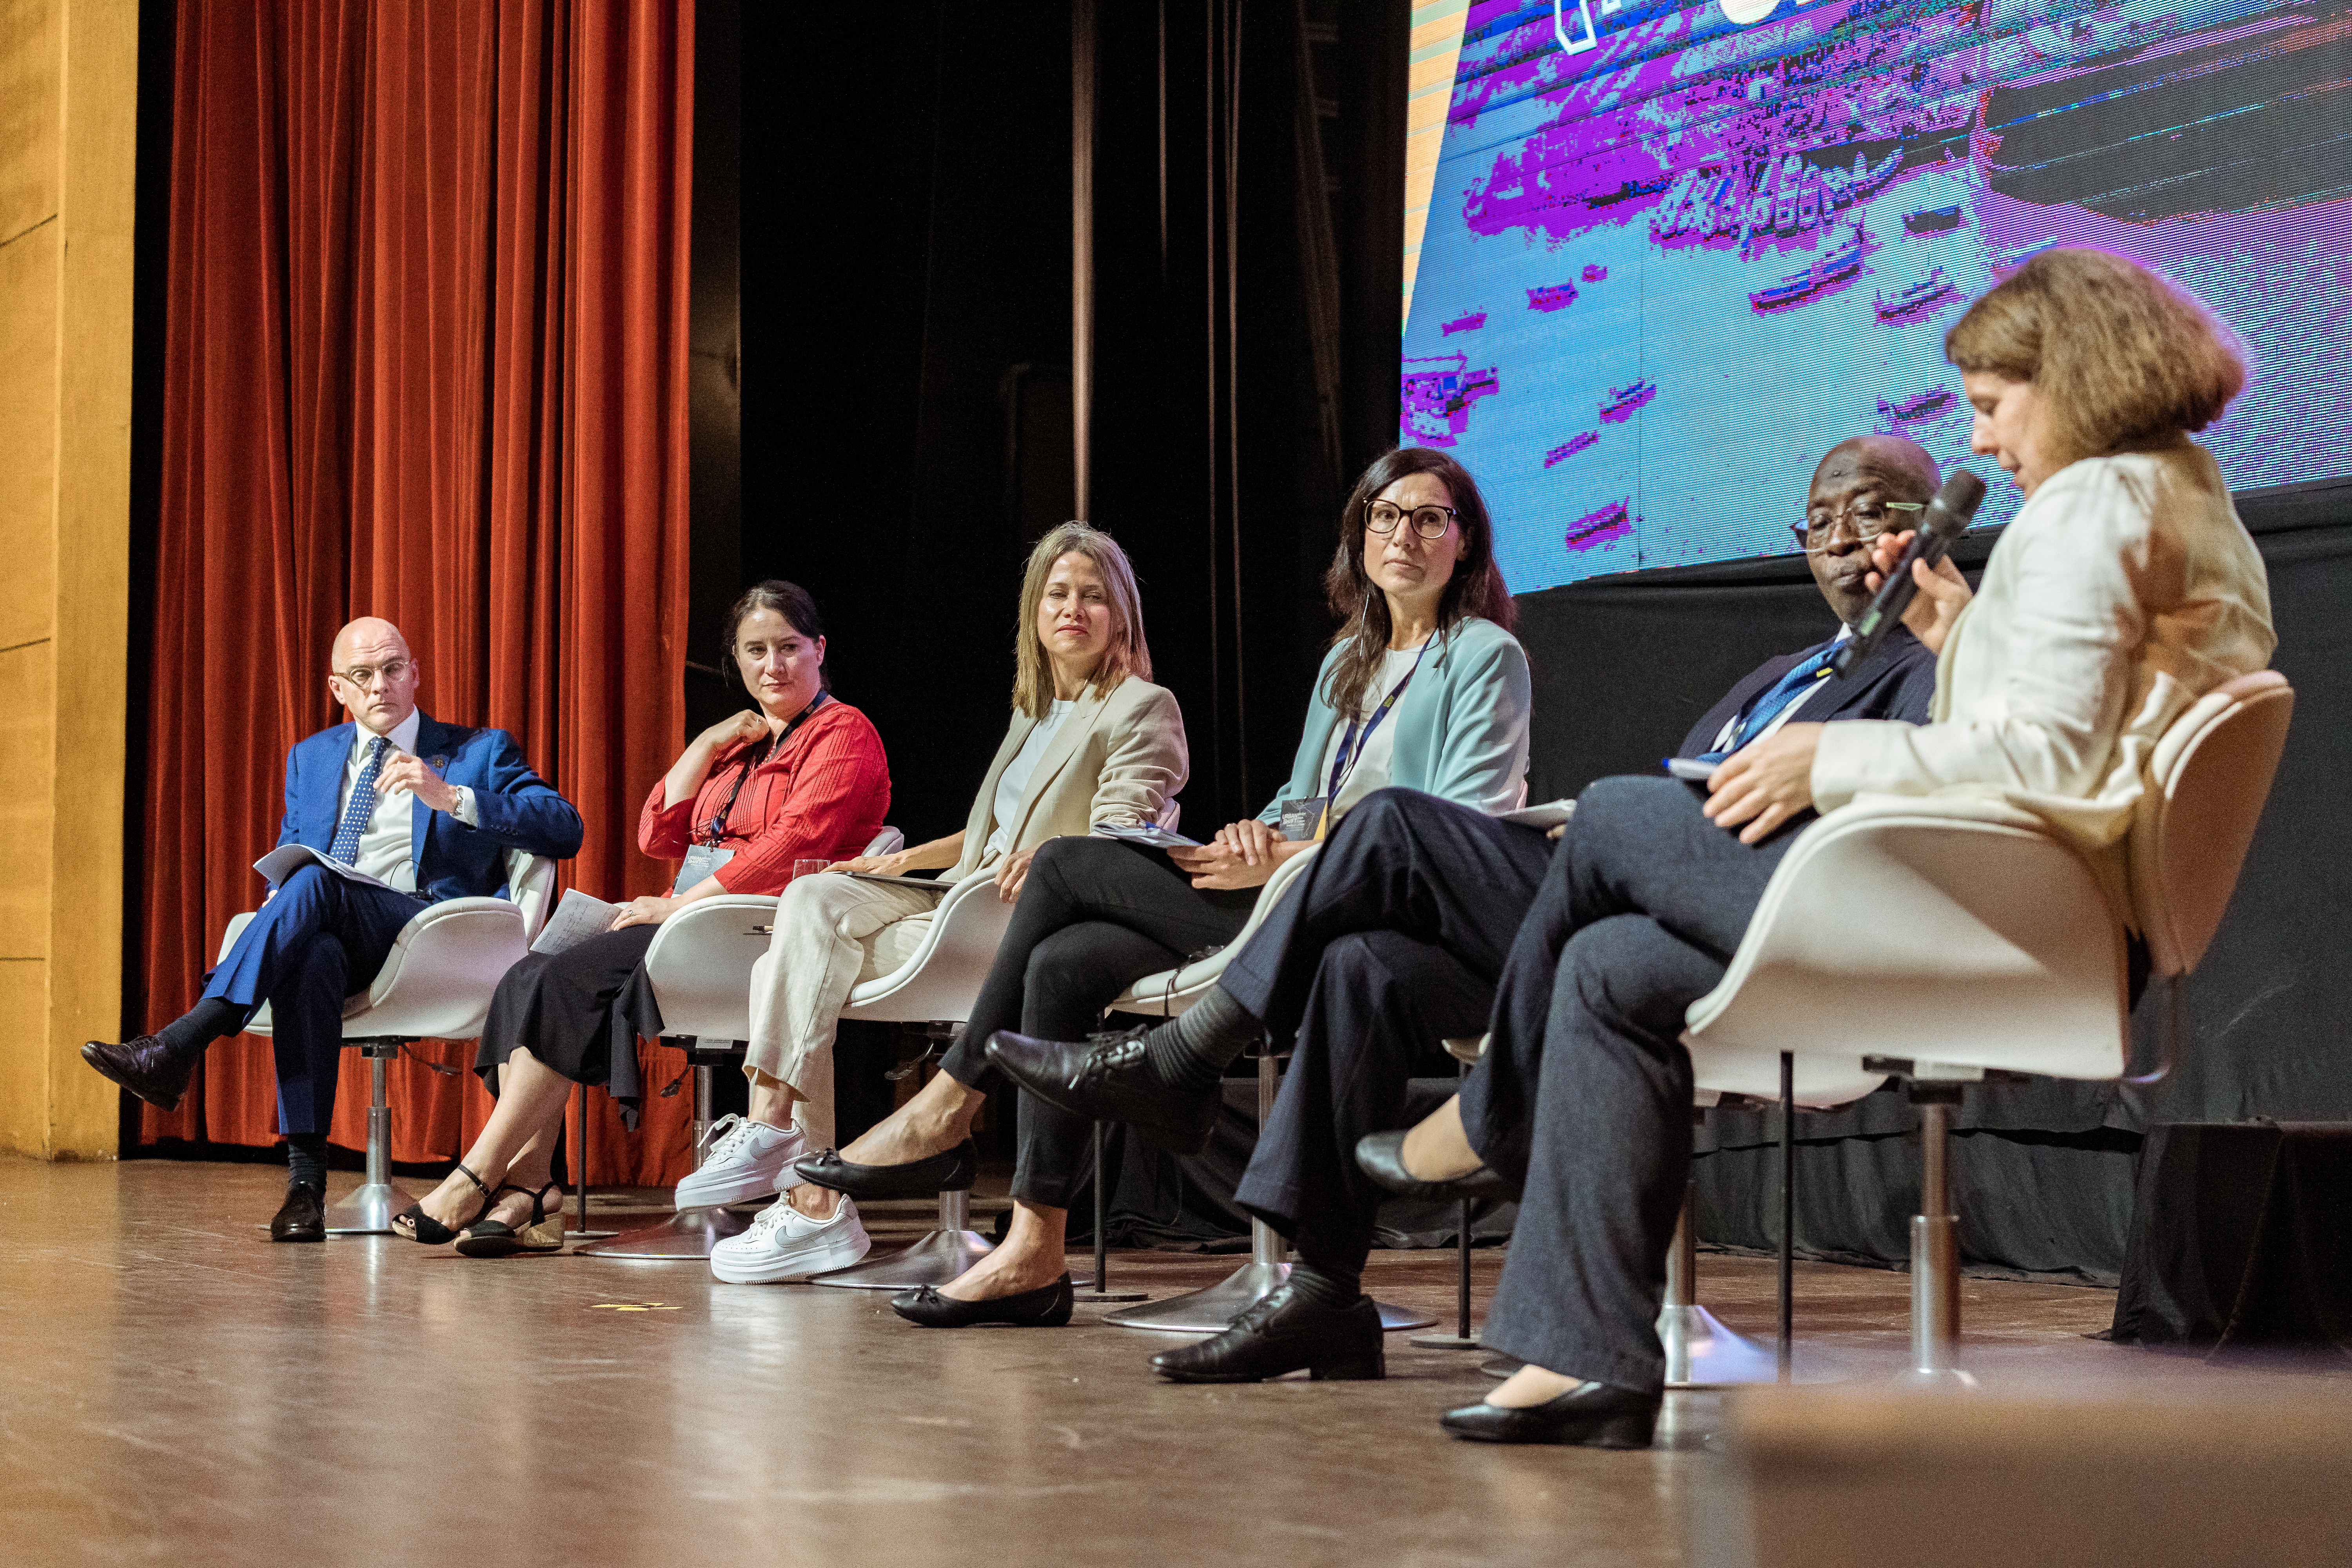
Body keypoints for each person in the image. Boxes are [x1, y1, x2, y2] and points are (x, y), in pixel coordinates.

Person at [1377, 248, 2275, 1446]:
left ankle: (1491, 1117)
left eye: (1993, 406)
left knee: (1613, 818)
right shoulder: (2182, 498)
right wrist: (1964, 635)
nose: (1986, 443)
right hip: (2043, 914)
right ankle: (1579, 1355)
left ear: (2072, 377)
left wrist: (1824, 761)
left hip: (1999, 917)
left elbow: (2048, 767)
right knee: (1608, 972)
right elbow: (2062, 743)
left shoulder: (2094, 506)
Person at [989, 434, 1946, 1379]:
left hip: (1752, 929)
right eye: (1817, 520)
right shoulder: (1777, 675)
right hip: (1610, 903)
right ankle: (1324, 1291)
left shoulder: (1933, 664)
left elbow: (1906, 807)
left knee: (1396, 824)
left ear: (1936, 528)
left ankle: (1185, 1056)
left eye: (1868, 513)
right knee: (1361, 962)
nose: (1839, 539)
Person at [782, 448, 1532, 1326]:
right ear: (1359, 538)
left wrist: (1290, 848)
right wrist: (1260, 832)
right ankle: (1033, 1249)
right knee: (1064, 961)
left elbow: (1449, 823)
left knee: (1064, 861)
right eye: (1384, 515)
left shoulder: (1485, 655)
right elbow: (1300, 801)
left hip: (1374, 907)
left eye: (1428, 517)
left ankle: (954, 1097)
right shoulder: (1345, 666)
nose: (1403, 534)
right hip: (1285, 887)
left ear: (1464, 542)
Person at [687, 522, 1188, 1292]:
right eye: (1057, 593)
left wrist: (1059, 855)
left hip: (1021, 917)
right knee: (814, 895)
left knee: (782, 967)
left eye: (1092, 595)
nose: (1073, 609)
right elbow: (988, 830)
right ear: (1034, 609)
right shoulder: (1037, 708)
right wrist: (900, 858)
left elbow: (1130, 825)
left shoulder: (1142, 705)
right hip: (963, 896)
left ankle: (808, 1188)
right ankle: (781, 1145)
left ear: (1121, 611)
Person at [388, 581, 890, 1253]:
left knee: (569, 981)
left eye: (789, 649)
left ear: (819, 650)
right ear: (736, 663)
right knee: (527, 975)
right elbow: (659, 835)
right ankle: (533, 1188)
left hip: (762, 933)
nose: (773, 666)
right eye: (755, 652)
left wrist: (679, 905)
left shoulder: (844, 733)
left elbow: (792, 845)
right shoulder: (743, 746)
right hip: (694, 924)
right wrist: (708, 741)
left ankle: (478, 1174)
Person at [81, 617, 584, 1242]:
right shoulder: (311, 758)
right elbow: (297, 850)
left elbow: (565, 827)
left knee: (316, 887)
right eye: (363, 675)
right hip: (342, 933)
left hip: (433, 933)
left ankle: (185, 1041)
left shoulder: (478, 751)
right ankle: (306, 1187)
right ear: (337, 688)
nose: (381, 686)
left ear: (415, 674)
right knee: (310, 948)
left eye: (394, 669)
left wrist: (450, 796)